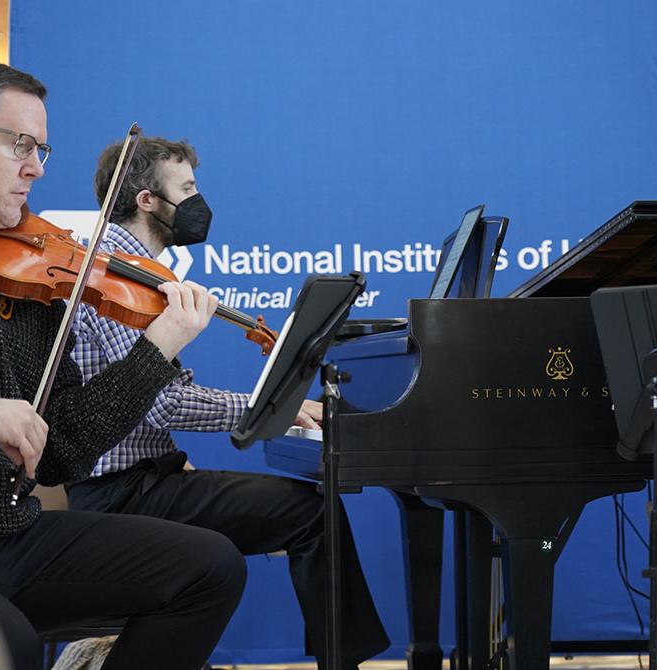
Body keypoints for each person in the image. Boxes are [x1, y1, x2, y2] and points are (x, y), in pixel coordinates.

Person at [0, 60, 249, 670]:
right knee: (9, 645)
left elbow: (61, 452)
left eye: (42, 150)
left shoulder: (29, 268)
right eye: (20, 145)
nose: (36, 167)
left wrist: (155, 351)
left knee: (210, 568)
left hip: (9, 534)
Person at [64, 136, 391, 668]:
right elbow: (161, 403)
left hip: (144, 477)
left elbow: (137, 403)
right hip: (118, 496)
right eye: (187, 188)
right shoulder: (116, 277)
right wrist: (269, 408)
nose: (198, 201)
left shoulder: (143, 273)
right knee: (312, 513)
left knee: (309, 511)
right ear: (147, 199)